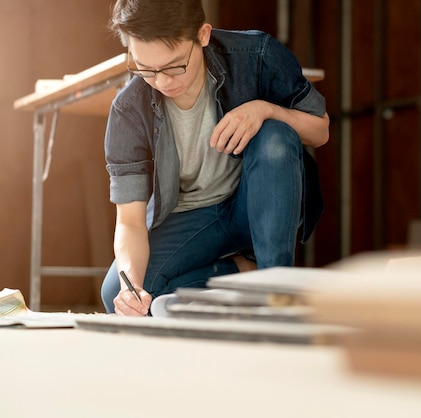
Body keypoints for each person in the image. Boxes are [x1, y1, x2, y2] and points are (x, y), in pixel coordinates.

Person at [100, 0, 329, 316]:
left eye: (174, 65)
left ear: (203, 35)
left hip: (257, 205)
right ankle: (242, 273)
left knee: (275, 134)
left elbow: (320, 131)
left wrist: (265, 109)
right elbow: (130, 221)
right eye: (146, 69)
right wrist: (131, 286)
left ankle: (277, 287)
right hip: (193, 220)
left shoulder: (256, 56)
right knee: (118, 293)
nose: (163, 82)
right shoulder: (129, 109)